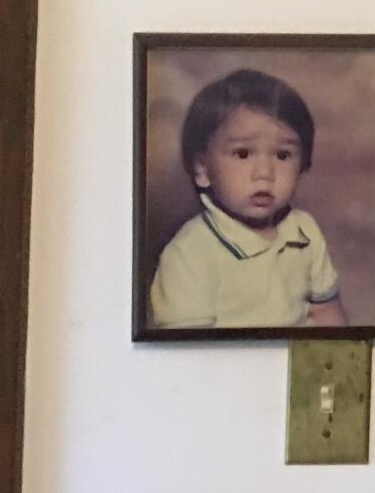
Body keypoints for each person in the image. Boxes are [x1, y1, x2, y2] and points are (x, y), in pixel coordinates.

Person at [146, 68, 348, 330]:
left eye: (283, 155)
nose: (264, 174)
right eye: (242, 154)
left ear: (303, 166)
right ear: (202, 170)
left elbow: (327, 314)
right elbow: (188, 357)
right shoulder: (189, 254)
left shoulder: (304, 230)